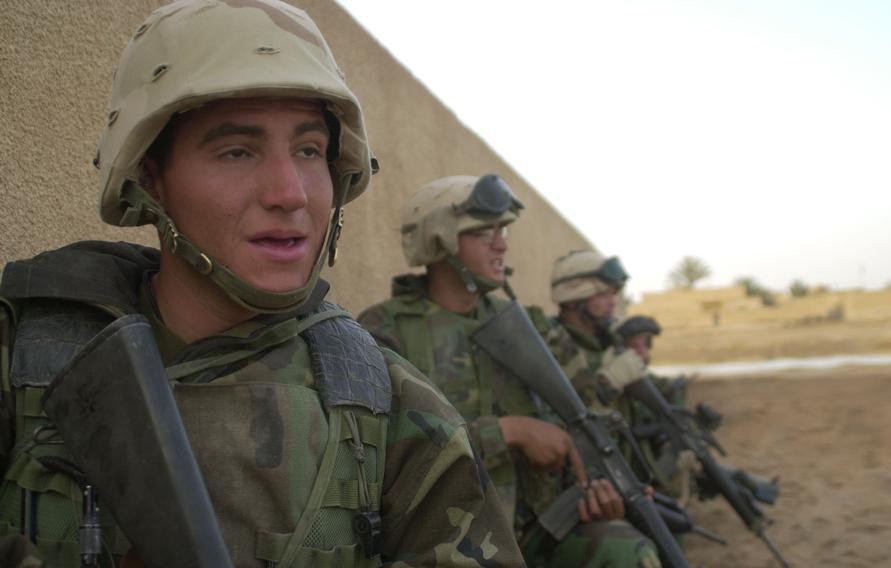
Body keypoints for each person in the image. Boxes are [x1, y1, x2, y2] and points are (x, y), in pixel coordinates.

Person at [0, 2, 524, 566]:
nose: (291, 192)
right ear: (150, 177)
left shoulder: (397, 411)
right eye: (237, 151)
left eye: (308, 151)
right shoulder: (24, 353)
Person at [358, 175, 661, 568]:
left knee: (627, 553)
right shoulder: (386, 330)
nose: (502, 243)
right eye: (485, 232)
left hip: (533, 530)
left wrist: (602, 486)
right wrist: (507, 432)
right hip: (441, 543)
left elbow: (584, 411)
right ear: (440, 239)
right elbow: (380, 452)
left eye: (503, 230)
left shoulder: (529, 328)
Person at [541, 252, 697, 499]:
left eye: (613, 293)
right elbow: (562, 419)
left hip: (623, 472)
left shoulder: (605, 342)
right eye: (603, 295)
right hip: (585, 485)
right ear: (574, 297)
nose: (613, 302)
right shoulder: (551, 345)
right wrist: (606, 384)